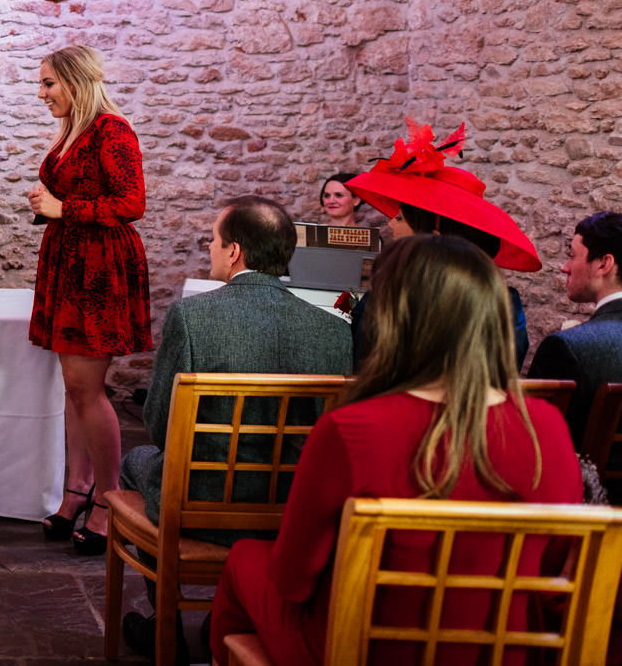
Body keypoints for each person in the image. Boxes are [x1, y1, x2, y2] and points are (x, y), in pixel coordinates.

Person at [208, 235, 583, 666]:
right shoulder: (547, 427)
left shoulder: (350, 430)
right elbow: (554, 572)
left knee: (243, 559)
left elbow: (293, 580)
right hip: (500, 648)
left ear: (392, 318)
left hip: (368, 646)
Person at [118, 197, 352, 660]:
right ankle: (219, 620)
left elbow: (161, 425)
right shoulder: (334, 330)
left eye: (213, 239)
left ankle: (163, 619)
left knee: (134, 462)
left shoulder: (194, 316)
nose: (209, 247)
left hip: (201, 502)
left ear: (234, 252)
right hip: (292, 509)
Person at [25, 44, 151, 555]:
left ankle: (108, 498)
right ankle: (77, 489)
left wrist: (62, 207)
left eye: (49, 83)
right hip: (70, 260)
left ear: (75, 82)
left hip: (98, 269)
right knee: (73, 388)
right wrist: (48, 208)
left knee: (87, 388)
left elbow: (131, 202)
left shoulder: (112, 129)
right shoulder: (76, 131)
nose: (42, 93)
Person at [345, 121, 540, 367]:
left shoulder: (389, 299)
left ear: (434, 239)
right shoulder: (506, 303)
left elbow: (364, 371)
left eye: (400, 217)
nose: (392, 225)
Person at [527, 210, 622, 444]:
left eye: (572, 255)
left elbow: (532, 442)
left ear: (603, 264)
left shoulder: (566, 348)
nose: (564, 267)